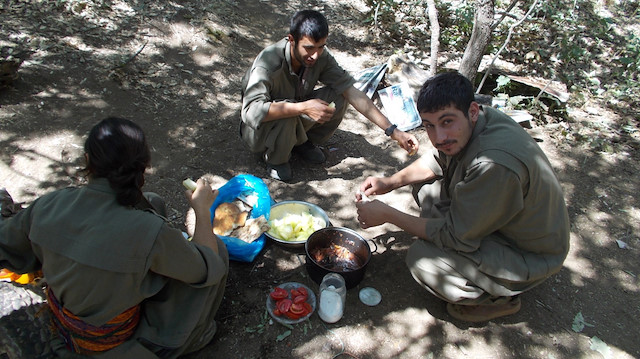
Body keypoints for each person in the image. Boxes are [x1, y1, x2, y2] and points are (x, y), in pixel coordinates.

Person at [0, 117, 229, 358]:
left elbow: (7, 246)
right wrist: (201, 211)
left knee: (152, 202)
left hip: (67, 327)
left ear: (88, 160)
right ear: (143, 167)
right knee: (218, 253)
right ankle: (191, 337)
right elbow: (208, 267)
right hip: (112, 347)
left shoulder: (48, 206)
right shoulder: (148, 232)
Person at [355, 72, 570, 322]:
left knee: (423, 261)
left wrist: (388, 215)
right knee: (424, 186)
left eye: (447, 122)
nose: (438, 137)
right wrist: (390, 182)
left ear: (473, 111)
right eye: (430, 125)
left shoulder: (495, 164)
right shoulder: (477, 122)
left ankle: (496, 298)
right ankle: (461, 232)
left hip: (526, 252)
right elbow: (436, 159)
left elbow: (454, 236)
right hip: (499, 219)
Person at [240, 9, 419, 182]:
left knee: (340, 94)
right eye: (309, 48)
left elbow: (352, 92)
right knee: (288, 108)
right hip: (259, 133)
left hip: (293, 118)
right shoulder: (268, 63)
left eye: (321, 47)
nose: (315, 55)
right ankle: (275, 158)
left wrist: (393, 131)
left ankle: (301, 142)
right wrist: (302, 107)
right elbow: (250, 111)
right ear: (291, 40)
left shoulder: (320, 57)